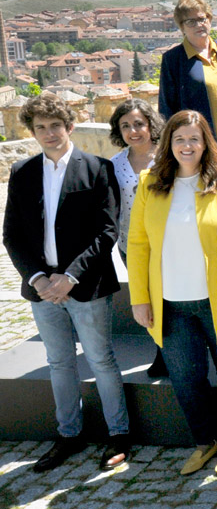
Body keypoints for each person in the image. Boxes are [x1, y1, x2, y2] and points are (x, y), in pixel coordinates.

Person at [4, 93, 130, 473]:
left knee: (101, 360)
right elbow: (12, 235)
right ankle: (69, 436)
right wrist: (39, 278)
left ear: (70, 126)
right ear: (32, 132)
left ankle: (119, 435)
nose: (49, 133)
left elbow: (107, 231)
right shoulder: (22, 172)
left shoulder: (97, 168)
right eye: (40, 127)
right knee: (58, 363)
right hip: (42, 289)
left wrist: (70, 276)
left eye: (55, 125)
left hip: (86, 285)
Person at [127, 110, 217, 477]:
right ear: (168, 143)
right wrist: (139, 298)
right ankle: (204, 442)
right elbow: (137, 244)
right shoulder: (150, 182)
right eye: (179, 139)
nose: (187, 145)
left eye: (194, 139)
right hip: (171, 305)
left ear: (206, 143)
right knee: (186, 380)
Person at [109, 98, 170, 378]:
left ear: (150, 125)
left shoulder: (169, 158)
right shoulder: (113, 165)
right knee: (146, 299)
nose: (133, 131)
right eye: (125, 126)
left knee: (168, 300)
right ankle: (161, 350)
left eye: (138, 124)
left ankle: (170, 353)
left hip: (167, 244)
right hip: (130, 246)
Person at [158, 0, 217, 136]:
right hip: (200, 141)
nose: (199, 25)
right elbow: (167, 109)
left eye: (202, 19)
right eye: (191, 22)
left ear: (209, 19)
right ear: (182, 26)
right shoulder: (173, 60)